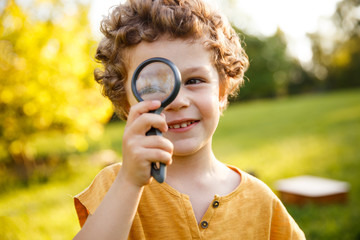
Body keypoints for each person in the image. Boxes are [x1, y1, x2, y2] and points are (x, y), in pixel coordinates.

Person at [73, 0, 305, 239]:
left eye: (194, 81)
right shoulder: (116, 186)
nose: (177, 101)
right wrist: (129, 183)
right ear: (125, 101)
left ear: (222, 90)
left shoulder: (260, 201)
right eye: (153, 86)